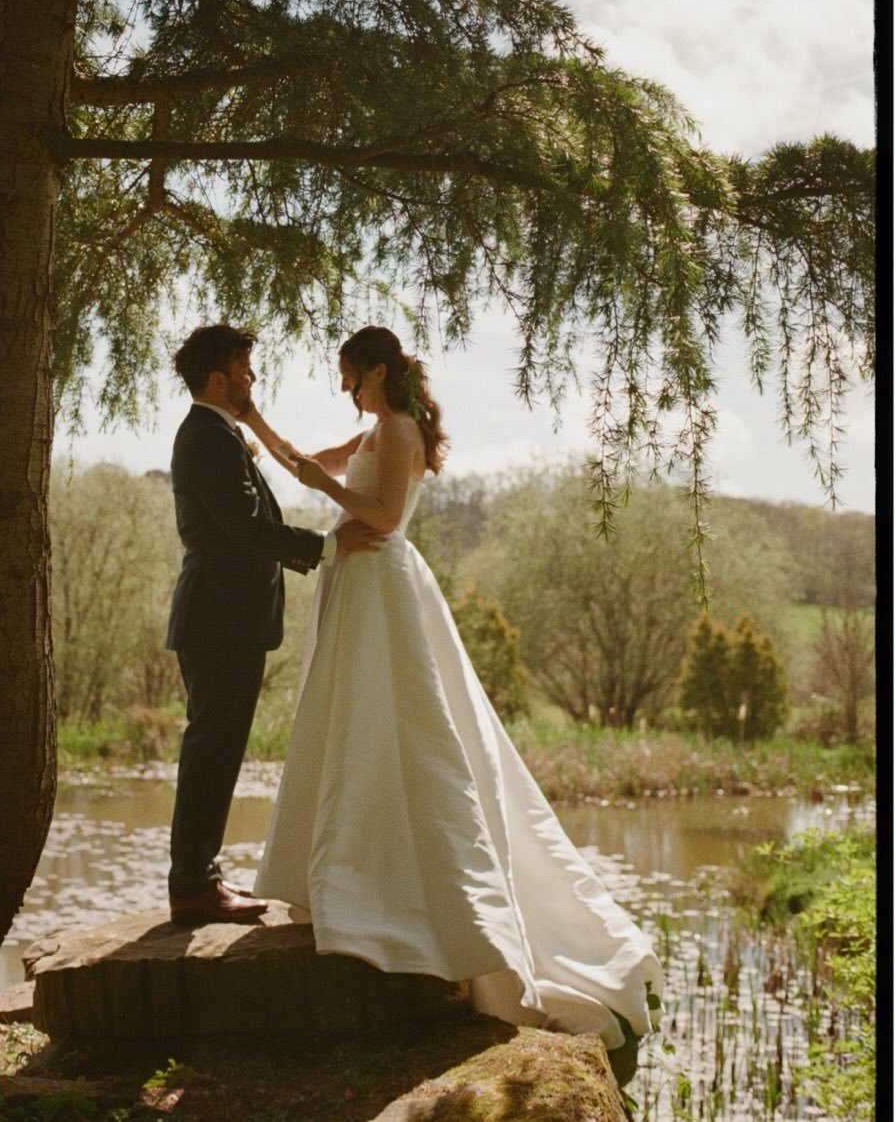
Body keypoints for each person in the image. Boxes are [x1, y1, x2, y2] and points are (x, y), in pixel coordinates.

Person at [244, 326, 664, 1051]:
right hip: (355, 586)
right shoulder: (376, 425)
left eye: (353, 378)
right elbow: (303, 463)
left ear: (378, 370)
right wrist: (254, 421)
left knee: (401, 728)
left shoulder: (401, 428)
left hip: (383, 584)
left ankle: (421, 893)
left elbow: (383, 517)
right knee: (344, 722)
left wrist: (326, 488)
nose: (348, 391)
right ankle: (338, 873)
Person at [164, 324, 383, 926]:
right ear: (217, 379)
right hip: (219, 619)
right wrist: (329, 546)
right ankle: (193, 885)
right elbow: (246, 529)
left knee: (218, 747)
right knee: (212, 747)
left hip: (226, 618)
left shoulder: (219, 434)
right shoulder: (207, 438)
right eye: (244, 369)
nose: (252, 378)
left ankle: (199, 878)